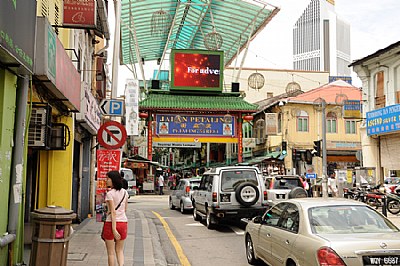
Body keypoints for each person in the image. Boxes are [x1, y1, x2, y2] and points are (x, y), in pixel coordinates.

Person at [102, 171, 128, 266]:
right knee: (120, 250)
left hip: (111, 224)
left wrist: (113, 228)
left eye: (108, 178)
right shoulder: (125, 192)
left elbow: (112, 212)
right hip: (123, 223)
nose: (106, 180)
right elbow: (125, 209)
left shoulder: (110, 194)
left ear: (113, 180)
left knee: (111, 253)